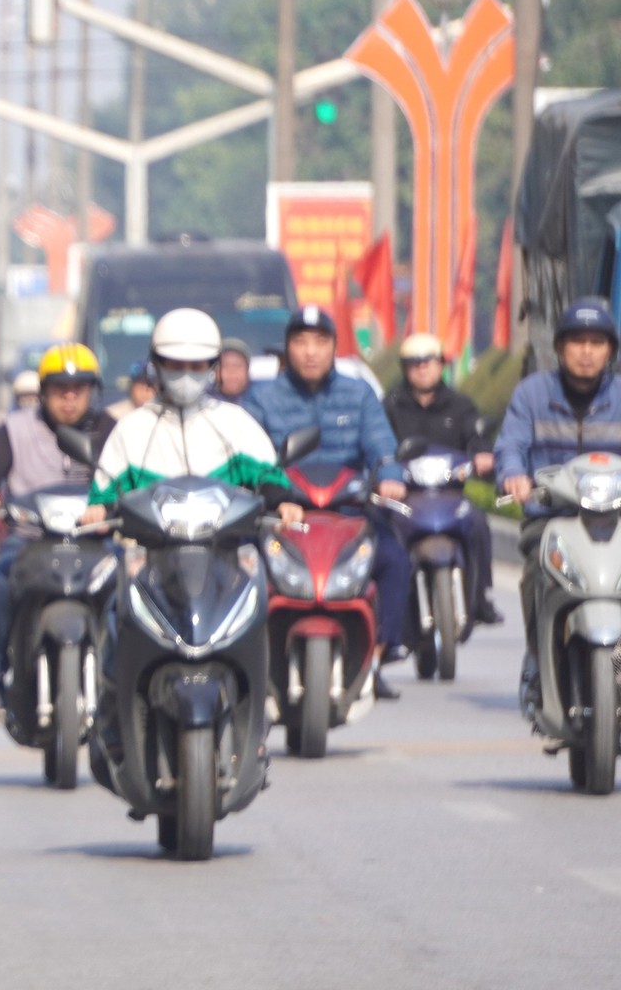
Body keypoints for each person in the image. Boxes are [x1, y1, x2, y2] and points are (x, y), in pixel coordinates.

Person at [241, 304, 414, 696]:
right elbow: (247, 452)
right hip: (282, 513)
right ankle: (248, 657)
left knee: (393, 559)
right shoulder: (263, 399)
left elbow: (381, 446)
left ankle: (375, 655)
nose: (311, 351)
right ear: (287, 349)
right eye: (301, 342)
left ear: (335, 347)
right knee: (243, 563)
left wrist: (389, 476)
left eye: (321, 342)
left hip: (347, 511)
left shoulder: (359, 395)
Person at [0, 343, 117, 717]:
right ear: (43, 392)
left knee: (130, 583)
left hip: (94, 541)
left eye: (78, 389)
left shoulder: (109, 430)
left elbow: (129, 479)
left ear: (91, 392)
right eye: (59, 390)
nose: (69, 399)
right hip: (31, 538)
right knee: (1, 579)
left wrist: (111, 505)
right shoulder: (16, 428)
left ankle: (125, 676)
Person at [495, 298, 621, 733]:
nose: (586, 351)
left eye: (597, 342)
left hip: (614, 522)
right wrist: (513, 476)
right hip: (552, 519)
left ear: (610, 350)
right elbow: (511, 444)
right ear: (560, 347)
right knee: (534, 572)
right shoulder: (533, 394)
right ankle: (538, 657)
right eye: (577, 341)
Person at [88, 309, 286, 507]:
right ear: (157, 364)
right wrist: (99, 510)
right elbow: (104, 493)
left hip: (227, 537)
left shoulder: (235, 421)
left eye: (196, 365)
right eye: (176, 365)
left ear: (212, 366)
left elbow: (270, 477)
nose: (186, 374)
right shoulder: (132, 428)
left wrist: (282, 503)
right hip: (148, 537)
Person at [384, 330, 501, 624]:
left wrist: (482, 455)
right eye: (415, 362)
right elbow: (379, 444)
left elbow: (476, 438)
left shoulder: (461, 405)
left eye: (430, 360)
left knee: (478, 524)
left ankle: (482, 595)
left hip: (450, 494)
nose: (423, 367)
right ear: (404, 367)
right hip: (405, 497)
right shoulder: (390, 405)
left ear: (442, 364)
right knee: (382, 534)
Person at [215, 339, 253, 403]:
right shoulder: (203, 403)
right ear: (215, 372)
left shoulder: (262, 401)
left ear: (247, 371)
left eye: (237, 366)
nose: (231, 372)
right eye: (225, 366)